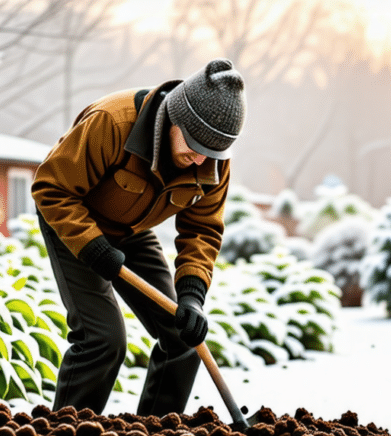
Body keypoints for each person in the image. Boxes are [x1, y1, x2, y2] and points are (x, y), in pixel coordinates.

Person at [31, 59, 246, 417]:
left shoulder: (211, 162)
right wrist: (95, 248)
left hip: (132, 231)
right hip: (73, 219)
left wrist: (192, 296)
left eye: (211, 153)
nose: (199, 161)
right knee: (103, 340)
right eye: (194, 146)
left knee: (183, 337)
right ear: (174, 117)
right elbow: (51, 187)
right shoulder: (112, 122)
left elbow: (202, 229)